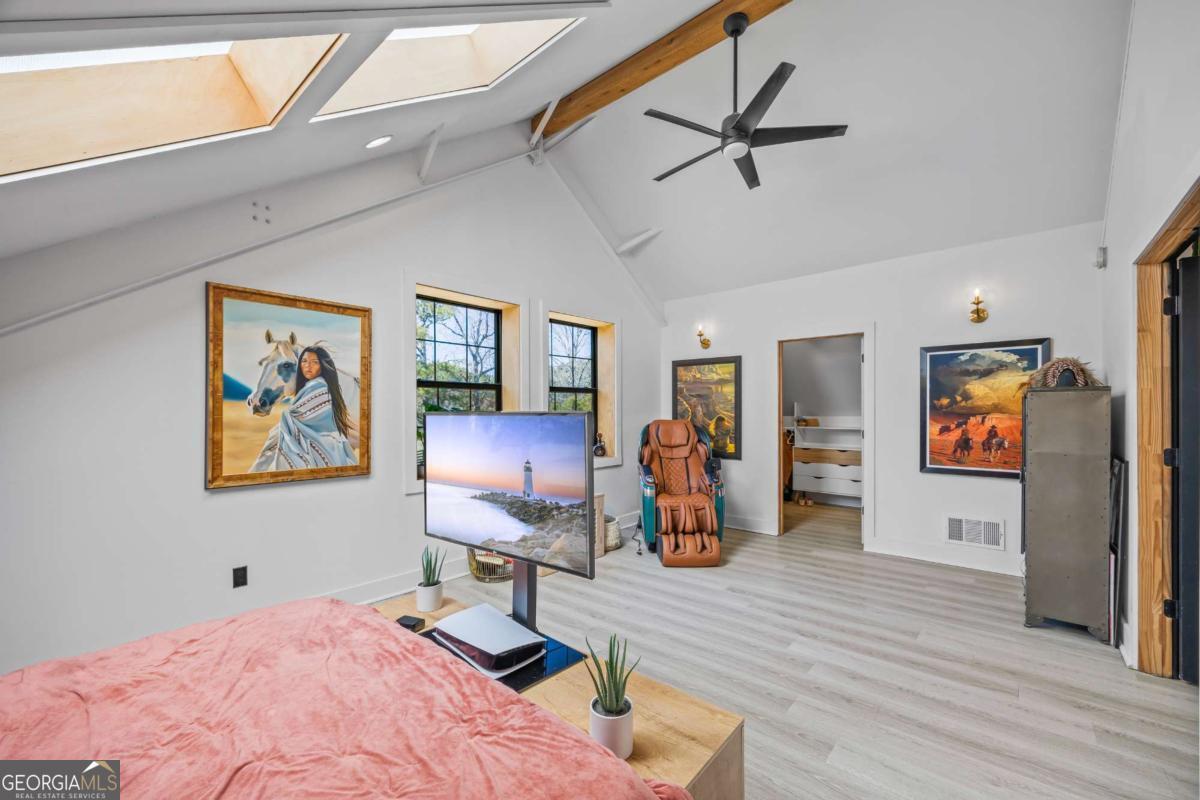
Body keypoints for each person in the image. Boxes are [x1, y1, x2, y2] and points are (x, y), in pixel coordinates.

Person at [250, 345, 357, 471]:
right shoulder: (309, 387)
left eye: (314, 362)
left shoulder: (320, 387)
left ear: (322, 366)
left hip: (326, 449)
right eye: (304, 361)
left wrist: (287, 417)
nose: (308, 366)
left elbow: (304, 417)